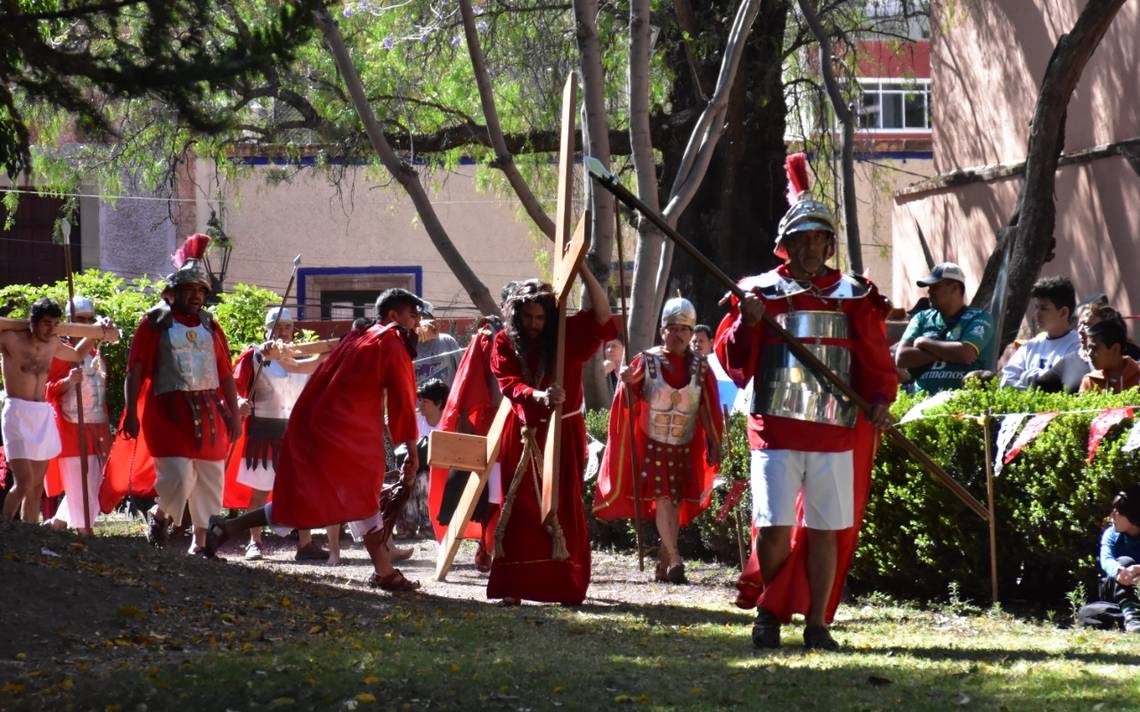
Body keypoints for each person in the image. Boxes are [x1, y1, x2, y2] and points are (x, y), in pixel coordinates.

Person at [715, 152, 897, 651]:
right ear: (786, 246)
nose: (812, 247)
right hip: (775, 429)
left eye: (819, 238)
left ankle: (817, 624)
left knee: (824, 531)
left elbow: (876, 360)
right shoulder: (761, 294)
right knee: (774, 529)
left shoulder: (853, 295)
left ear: (828, 244)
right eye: (803, 239)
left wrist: (881, 398)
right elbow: (734, 362)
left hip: (834, 431)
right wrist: (748, 322)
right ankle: (767, 602)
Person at [206, 288, 425, 591]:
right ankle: (384, 571)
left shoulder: (358, 336)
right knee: (362, 496)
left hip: (320, 426)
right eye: (412, 315)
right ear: (393, 316)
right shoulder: (390, 341)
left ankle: (224, 528)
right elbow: (402, 399)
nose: (416, 322)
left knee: (310, 501)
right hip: (343, 432)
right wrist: (410, 449)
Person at [487, 267, 615, 605]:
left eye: (540, 317)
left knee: (562, 508)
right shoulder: (505, 341)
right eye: (527, 316)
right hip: (525, 434)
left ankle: (565, 586)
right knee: (521, 509)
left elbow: (603, 316)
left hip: (564, 433)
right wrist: (539, 396)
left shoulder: (565, 337)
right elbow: (509, 382)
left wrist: (585, 270)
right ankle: (515, 587)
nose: (533, 324)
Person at [120, 234, 241, 554]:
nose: (198, 295)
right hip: (168, 412)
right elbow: (135, 371)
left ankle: (200, 544)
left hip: (210, 411)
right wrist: (131, 411)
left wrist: (234, 413)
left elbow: (225, 375)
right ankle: (160, 515)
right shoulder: (154, 323)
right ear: (173, 292)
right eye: (190, 288)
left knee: (210, 477)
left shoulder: (211, 326)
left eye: (202, 289)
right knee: (177, 477)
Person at [593, 297, 723, 583]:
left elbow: (707, 407)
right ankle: (676, 558)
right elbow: (630, 402)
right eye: (673, 328)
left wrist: (714, 442)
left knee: (675, 501)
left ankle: (665, 559)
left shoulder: (701, 367)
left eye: (684, 329)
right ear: (663, 330)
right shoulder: (647, 361)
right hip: (654, 443)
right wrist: (626, 381)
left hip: (686, 444)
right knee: (665, 498)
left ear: (691, 334)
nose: (678, 335)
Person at [223, 307, 330, 561]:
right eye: (278, 325)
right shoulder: (255, 356)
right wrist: (239, 403)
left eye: (288, 326)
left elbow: (317, 364)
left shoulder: (298, 356)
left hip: (296, 430)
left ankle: (305, 543)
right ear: (267, 328)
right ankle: (255, 542)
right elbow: (234, 387)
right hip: (265, 430)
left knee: (301, 488)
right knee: (259, 491)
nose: (284, 330)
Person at [0, 298, 106, 524]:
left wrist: (96, 333)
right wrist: (20, 324)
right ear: (34, 322)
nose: (51, 329)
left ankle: (28, 532)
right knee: (24, 482)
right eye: (46, 323)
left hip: (41, 413)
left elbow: (77, 355)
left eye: (56, 323)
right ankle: (7, 528)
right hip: (17, 412)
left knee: (37, 485)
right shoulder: (11, 340)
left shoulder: (53, 344)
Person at [428, 309, 510, 574]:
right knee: (489, 493)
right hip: (488, 428)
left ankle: (492, 547)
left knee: (501, 493)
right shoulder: (489, 337)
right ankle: (486, 546)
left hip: (512, 425)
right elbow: (481, 391)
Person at [43, 296, 114, 535]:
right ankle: (86, 534)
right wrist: (67, 381)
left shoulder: (96, 352)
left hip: (96, 428)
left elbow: (99, 395)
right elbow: (47, 388)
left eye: (89, 320)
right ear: (69, 321)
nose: (85, 324)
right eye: (79, 320)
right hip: (71, 428)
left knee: (94, 484)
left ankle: (58, 522)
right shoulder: (61, 352)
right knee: (79, 483)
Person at [895, 262, 994, 394]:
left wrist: (924, 342)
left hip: (961, 402)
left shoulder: (980, 318)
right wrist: (948, 351)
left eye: (935, 287)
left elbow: (966, 354)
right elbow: (901, 357)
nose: (929, 291)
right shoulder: (921, 318)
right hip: (921, 400)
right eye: (929, 287)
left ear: (954, 288)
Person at [1076, 485, 1140, 632]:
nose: (1112, 516)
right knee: (1086, 613)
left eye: (1117, 512)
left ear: (1132, 516)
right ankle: (1132, 617)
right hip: (1115, 591)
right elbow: (1106, 560)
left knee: (1126, 561)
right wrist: (1119, 572)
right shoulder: (1111, 534)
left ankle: (1133, 618)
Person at [999, 277, 1080, 389]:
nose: (1037, 314)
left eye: (1044, 308)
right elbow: (1006, 382)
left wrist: (1025, 378)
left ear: (1063, 312)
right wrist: (1035, 385)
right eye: (1036, 307)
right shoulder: (1029, 346)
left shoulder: (1077, 346)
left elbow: (1064, 387)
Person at [395, 377, 449, 538]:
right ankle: (407, 525)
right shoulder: (417, 419)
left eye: (425, 402)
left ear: (438, 403)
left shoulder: (448, 421)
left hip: (440, 470)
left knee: (424, 478)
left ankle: (428, 525)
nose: (421, 405)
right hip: (416, 466)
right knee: (410, 476)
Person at [1079, 319, 1140, 393]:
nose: (1089, 354)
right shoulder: (1090, 381)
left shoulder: (1137, 374)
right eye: (1089, 348)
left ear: (1115, 349)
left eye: (1095, 348)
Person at [413, 308, 461, 387]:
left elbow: (461, 368)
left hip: (446, 397)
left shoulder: (447, 341)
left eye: (426, 318)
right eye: (418, 320)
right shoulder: (409, 345)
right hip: (420, 397)